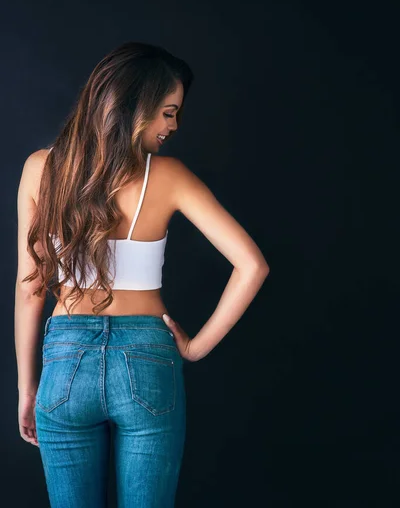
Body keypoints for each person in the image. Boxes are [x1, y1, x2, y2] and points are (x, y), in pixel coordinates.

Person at [14, 41, 270, 507]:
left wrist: (26, 386)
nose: (174, 126)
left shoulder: (40, 168)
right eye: (168, 112)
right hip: (148, 358)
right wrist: (193, 347)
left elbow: (30, 290)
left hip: (65, 360)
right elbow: (252, 265)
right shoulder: (169, 176)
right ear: (137, 105)